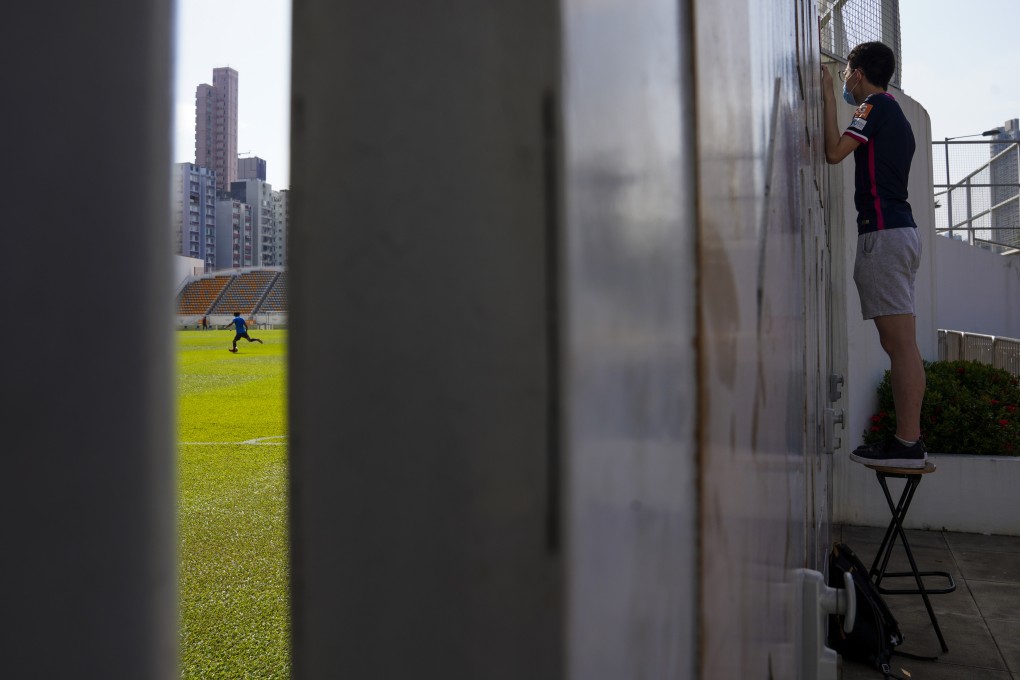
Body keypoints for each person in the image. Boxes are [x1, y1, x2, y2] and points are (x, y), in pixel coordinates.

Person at [821, 41, 926, 469]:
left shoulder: (874, 106)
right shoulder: (894, 112)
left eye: (846, 71)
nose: (845, 78)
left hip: (884, 235)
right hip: (897, 233)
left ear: (859, 72)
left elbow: (834, 153)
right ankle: (907, 441)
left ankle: (907, 443)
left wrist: (826, 98)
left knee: (900, 346)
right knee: (900, 344)